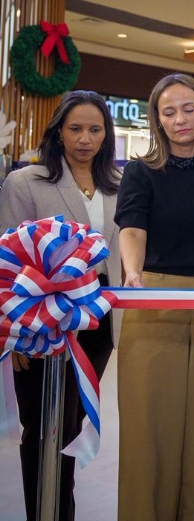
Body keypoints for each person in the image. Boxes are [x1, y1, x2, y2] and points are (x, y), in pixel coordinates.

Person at [114, 73, 194, 521]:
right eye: (169, 112)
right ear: (157, 120)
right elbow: (131, 227)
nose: (180, 119)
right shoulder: (140, 170)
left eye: (189, 109)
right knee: (149, 432)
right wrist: (131, 272)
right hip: (154, 298)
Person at [0, 90, 121, 521]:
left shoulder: (118, 186)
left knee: (70, 425)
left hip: (98, 325)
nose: (85, 138)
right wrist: (12, 335)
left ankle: (60, 508)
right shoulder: (25, 182)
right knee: (42, 429)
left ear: (106, 135)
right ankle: (44, 512)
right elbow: (7, 264)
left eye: (95, 129)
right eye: (75, 128)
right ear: (57, 131)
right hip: (40, 326)